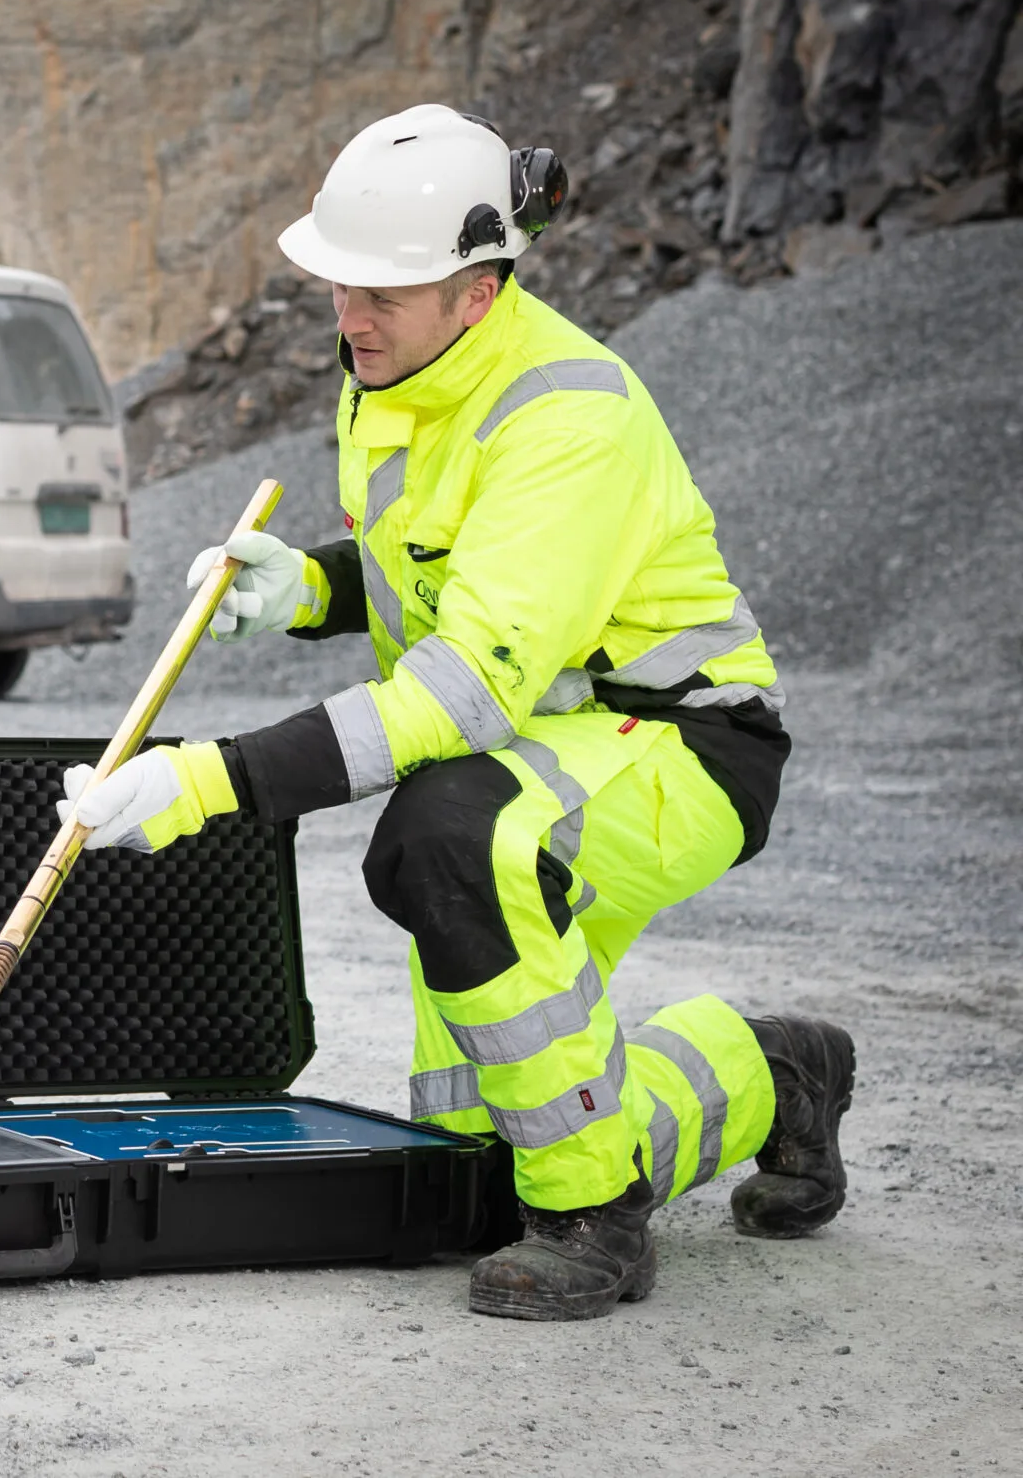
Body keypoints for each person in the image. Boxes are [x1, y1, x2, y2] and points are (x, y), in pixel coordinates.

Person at [60, 105, 854, 1321]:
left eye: (382, 292)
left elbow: (464, 687)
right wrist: (311, 586)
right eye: (339, 286)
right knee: (485, 1164)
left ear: (479, 291)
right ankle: (767, 1071)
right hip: (547, 737)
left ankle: (595, 1220)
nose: (350, 315)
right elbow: (438, 572)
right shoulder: (397, 368)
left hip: (681, 740)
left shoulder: (566, 416)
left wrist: (201, 781)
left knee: (451, 834)